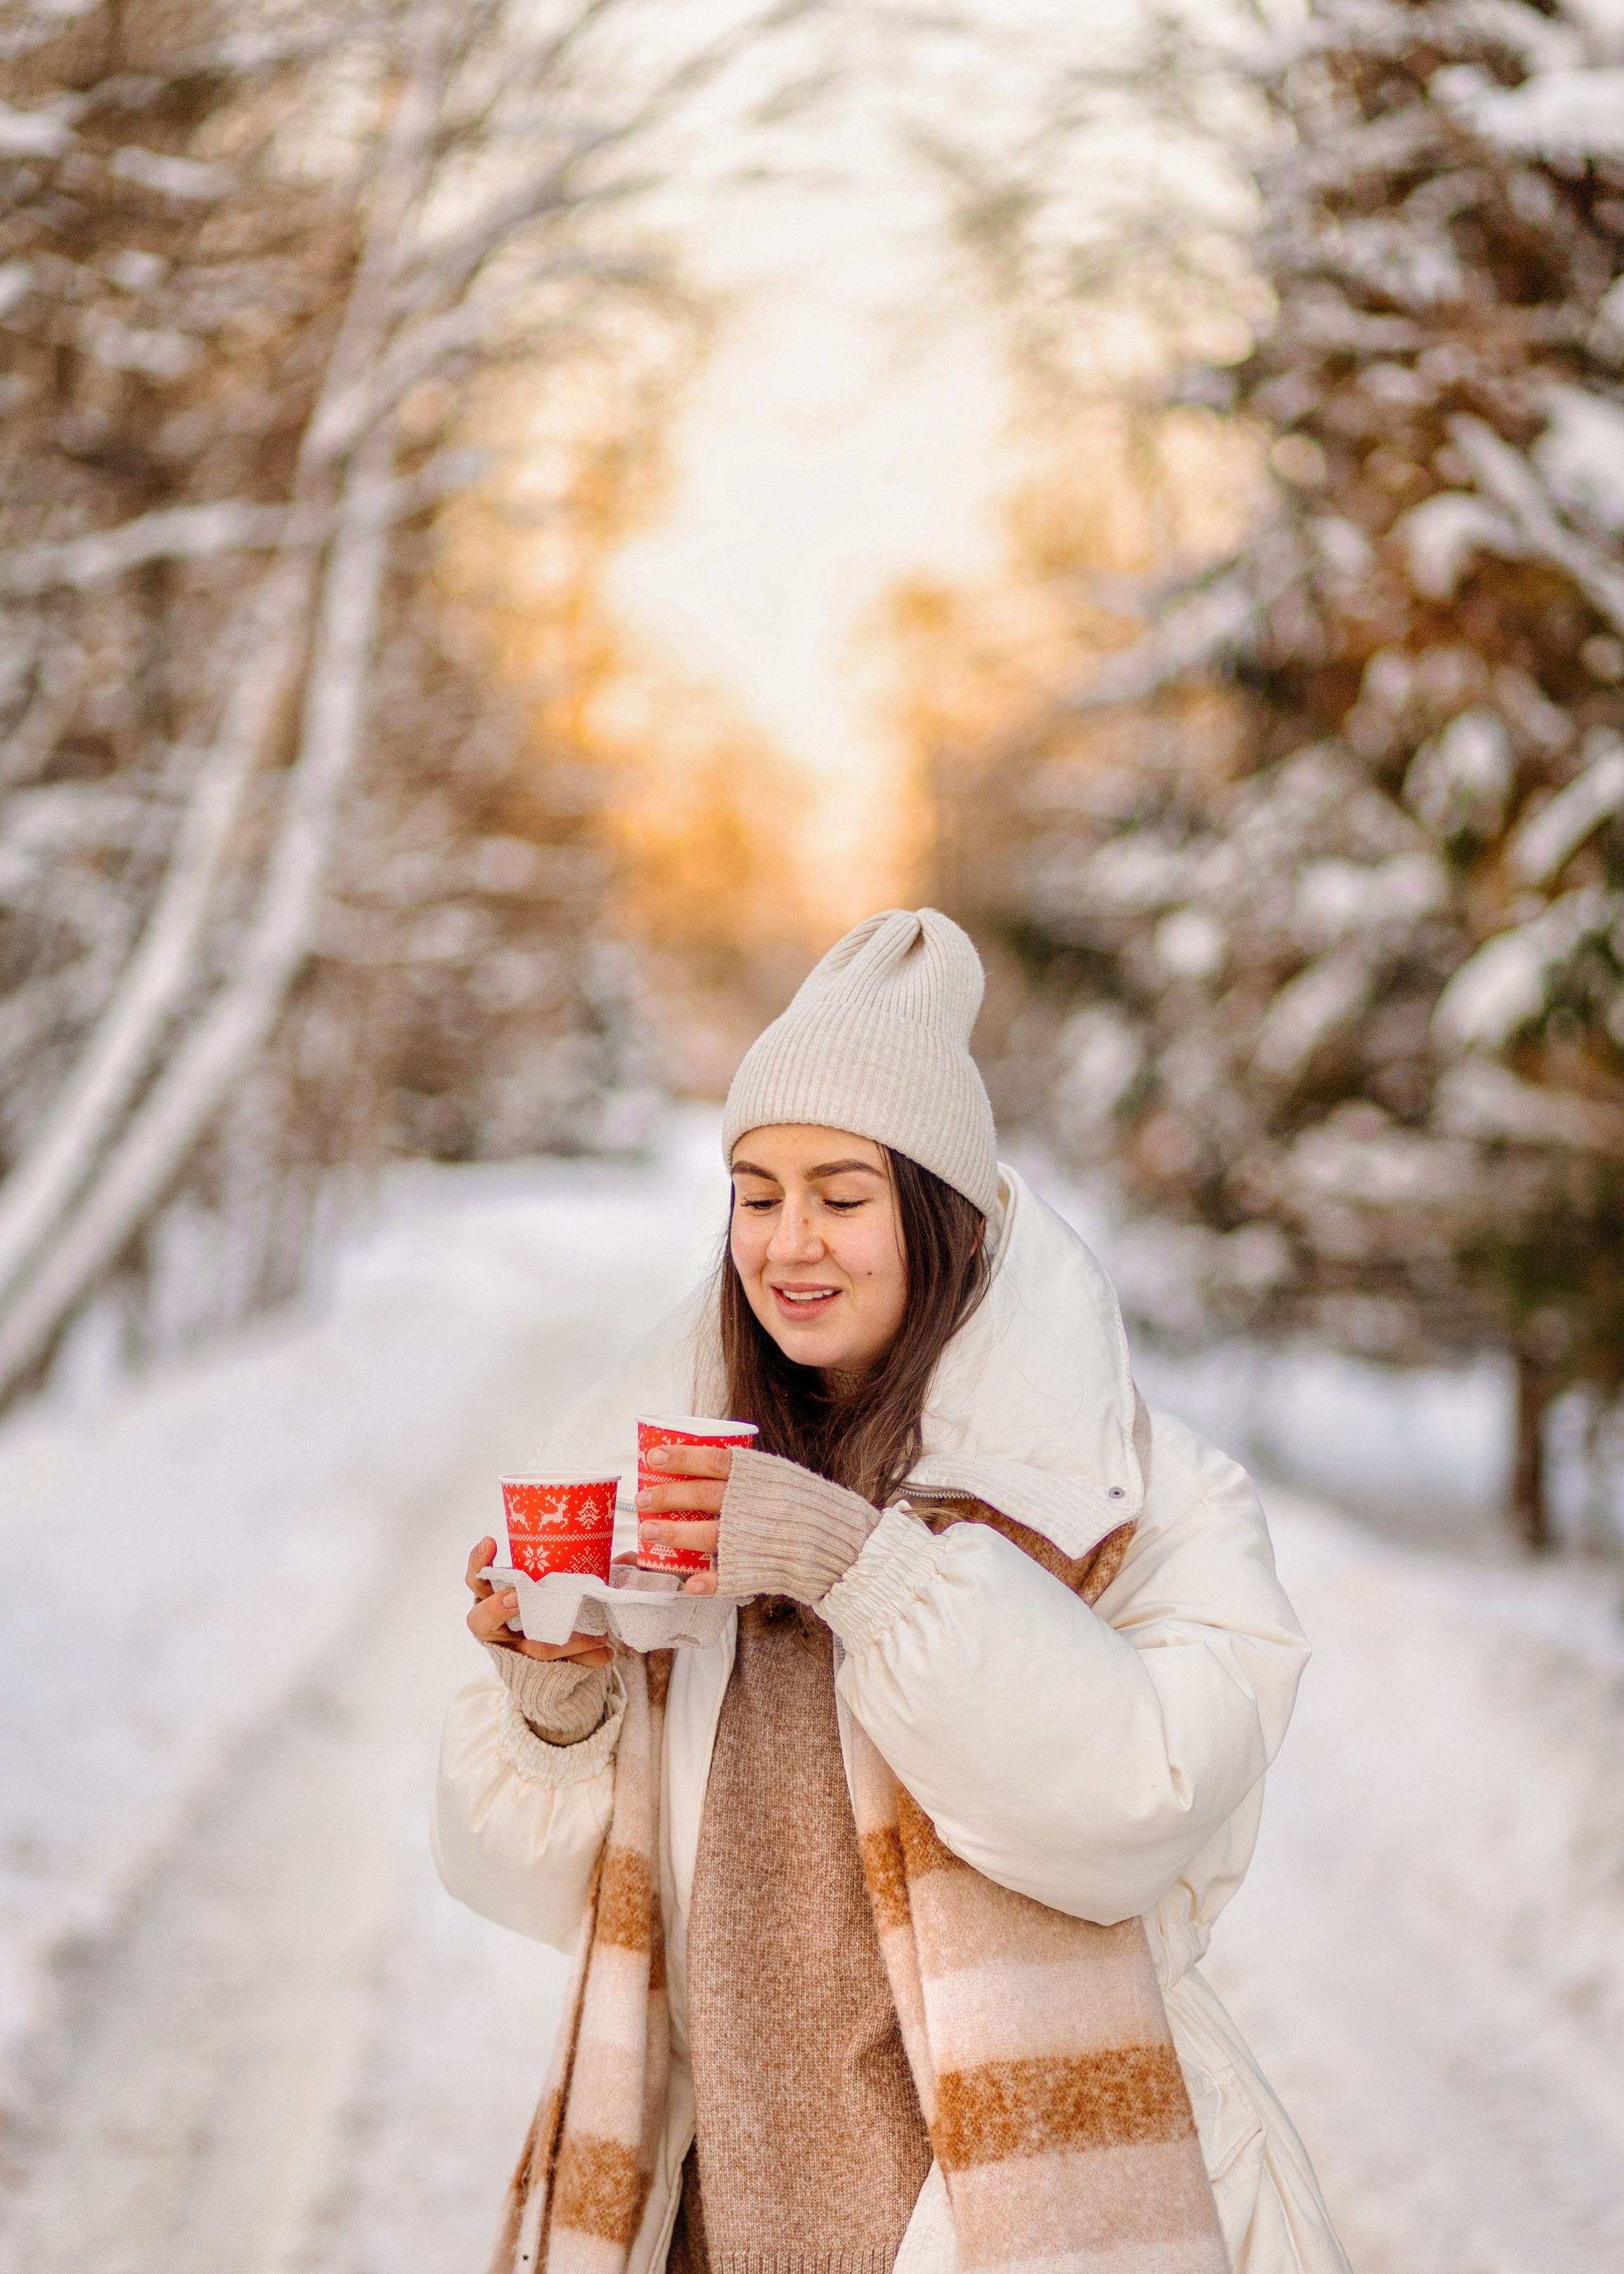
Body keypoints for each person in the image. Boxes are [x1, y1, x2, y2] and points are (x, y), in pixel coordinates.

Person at [435, 908, 1351, 2274]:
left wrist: (854, 1564)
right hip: (714, 2222)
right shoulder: (686, 1495)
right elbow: (550, 1890)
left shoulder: (1135, 1502)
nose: (787, 1243)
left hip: (1001, 2220)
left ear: (941, 1214)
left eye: (840, 1195)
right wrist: (557, 1703)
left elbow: (1129, 1806)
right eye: (756, 1193)